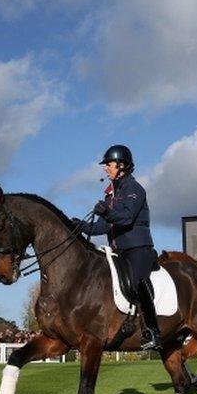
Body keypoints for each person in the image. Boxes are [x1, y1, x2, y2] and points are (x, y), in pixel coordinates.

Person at [73, 144, 162, 350]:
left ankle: (153, 331)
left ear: (121, 166)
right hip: (117, 250)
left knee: (138, 281)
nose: (106, 169)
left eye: (109, 165)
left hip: (137, 247)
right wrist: (81, 226)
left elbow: (126, 217)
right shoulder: (111, 195)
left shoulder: (135, 189)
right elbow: (105, 226)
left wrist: (106, 212)